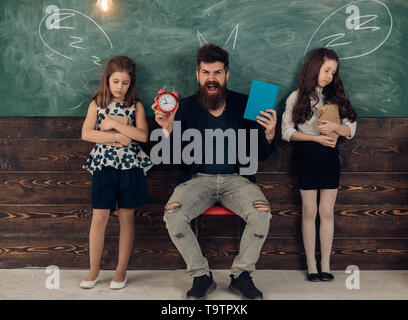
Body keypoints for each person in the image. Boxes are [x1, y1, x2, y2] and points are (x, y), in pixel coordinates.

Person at [152, 44, 277, 299]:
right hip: (197, 180)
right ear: (197, 74)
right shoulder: (183, 107)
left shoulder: (247, 104)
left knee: (261, 213)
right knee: (173, 215)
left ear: (226, 74)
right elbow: (175, 159)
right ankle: (201, 275)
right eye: (206, 72)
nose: (212, 78)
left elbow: (261, 155)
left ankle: (241, 275)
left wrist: (270, 132)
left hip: (237, 180)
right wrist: (167, 129)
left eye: (217, 72)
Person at [281, 48, 357, 282]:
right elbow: (286, 132)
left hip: (329, 157)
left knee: (326, 212)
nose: (329, 76)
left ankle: (326, 264)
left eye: (333, 73)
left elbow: (351, 129)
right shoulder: (297, 97)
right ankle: (311, 265)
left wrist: (335, 128)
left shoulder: (336, 98)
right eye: (326, 70)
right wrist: (314, 137)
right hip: (308, 155)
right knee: (309, 211)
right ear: (314, 68)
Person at [80, 55, 153, 290]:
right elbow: (87, 134)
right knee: (99, 216)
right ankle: (94, 269)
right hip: (104, 166)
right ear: (107, 80)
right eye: (116, 81)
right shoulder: (96, 104)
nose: (120, 87)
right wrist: (116, 137)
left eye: (125, 82)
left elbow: (142, 135)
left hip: (130, 166)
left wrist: (115, 125)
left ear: (131, 83)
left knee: (126, 217)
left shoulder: (137, 106)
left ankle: (121, 270)